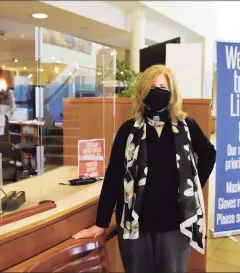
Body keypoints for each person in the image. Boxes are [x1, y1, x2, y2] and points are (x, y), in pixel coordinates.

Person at [73, 64, 216, 273]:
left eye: (162, 86)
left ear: (172, 92)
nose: (157, 91)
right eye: (151, 86)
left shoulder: (186, 126)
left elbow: (209, 155)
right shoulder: (128, 130)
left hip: (174, 226)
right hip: (135, 228)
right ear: (142, 93)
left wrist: (191, 189)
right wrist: (101, 222)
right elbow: (114, 176)